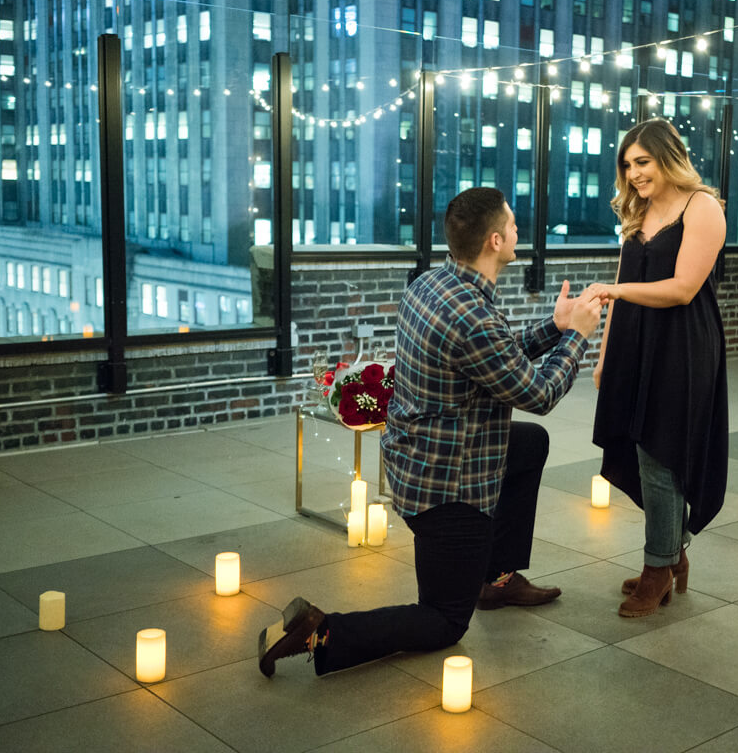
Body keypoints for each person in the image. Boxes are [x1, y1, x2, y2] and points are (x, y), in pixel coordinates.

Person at [259, 187, 605, 676]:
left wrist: (554, 326)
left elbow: (497, 358)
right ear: (493, 240)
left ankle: (498, 578)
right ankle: (321, 631)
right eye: (512, 225)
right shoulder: (472, 315)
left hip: (416, 459)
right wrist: (578, 337)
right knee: (444, 622)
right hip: (449, 489)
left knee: (528, 445)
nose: (517, 233)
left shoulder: (435, 283)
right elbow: (538, 394)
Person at [589, 118, 729, 618]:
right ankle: (671, 555)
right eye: (627, 166)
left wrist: (616, 292)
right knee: (640, 448)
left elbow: (683, 288)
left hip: (682, 346)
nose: (633, 175)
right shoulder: (641, 210)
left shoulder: (702, 207)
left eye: (641, 163)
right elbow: (621, 285)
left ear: (669, 157)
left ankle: (659, 569)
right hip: (634, 343)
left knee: (661, 452)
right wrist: (605, 357)